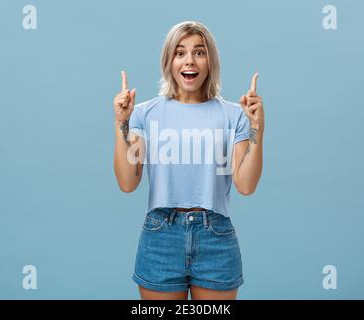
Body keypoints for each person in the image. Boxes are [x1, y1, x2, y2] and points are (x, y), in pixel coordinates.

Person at [113, 21, 264, 300]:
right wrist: (121, 124)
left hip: (215, 236)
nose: (189, 60)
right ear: (169, 61)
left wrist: (257, 129)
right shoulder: (145, 113)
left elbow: (245, 185)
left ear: (210, 61)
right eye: (179, 52)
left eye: (199, 52)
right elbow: (127, 181)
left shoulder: (234, 115)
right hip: (161, 235)